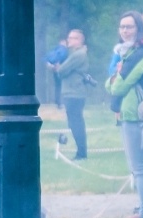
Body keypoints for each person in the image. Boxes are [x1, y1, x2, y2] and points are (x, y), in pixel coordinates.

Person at [107, 11, 143, 218]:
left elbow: (116, 85)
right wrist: (113, 81)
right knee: (136, 168)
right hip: (129, 115)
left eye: (129, 26)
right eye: (122, 27)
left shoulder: (140, 55)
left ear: (138, 28)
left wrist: (111, 82)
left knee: (140, 168)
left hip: (136, 117)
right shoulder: (128, 53)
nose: (125, 30)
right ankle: (142, 211)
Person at [55, 29, 89, 160]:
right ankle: (80, 151)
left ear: (79, 41)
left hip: (74, 93)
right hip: (73, 92)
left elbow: (62, 71)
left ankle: (81, 153)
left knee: (76, 122)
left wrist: (58, 67)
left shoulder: (78, 55)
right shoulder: (75, 54)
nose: (69, 40)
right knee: (74, 122)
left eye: (72, 38)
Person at [46, 38, 68, 108]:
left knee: (58, 86)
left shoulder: (54, 50)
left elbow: (47, 59)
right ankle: (62, 102)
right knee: (63, 86)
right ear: (63, 42)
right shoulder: (64, 50)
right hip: (62, 70)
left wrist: (51, 65)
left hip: (55, 70)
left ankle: (58, 102)